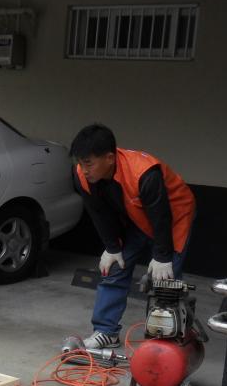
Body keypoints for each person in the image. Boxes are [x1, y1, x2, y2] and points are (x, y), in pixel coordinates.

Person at [70, 124, 196, 349]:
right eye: (80, 162)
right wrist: (112, 247)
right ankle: (106, 332)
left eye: (88, 163)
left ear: (109, 158)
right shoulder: (83, 175)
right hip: (137, 218)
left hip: (173, 219)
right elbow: (98, 213)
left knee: (166, 280)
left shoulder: (144, 173)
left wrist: (162, 255)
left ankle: (169, 339)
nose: (83, 169)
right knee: (114, 268)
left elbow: (161, 217)